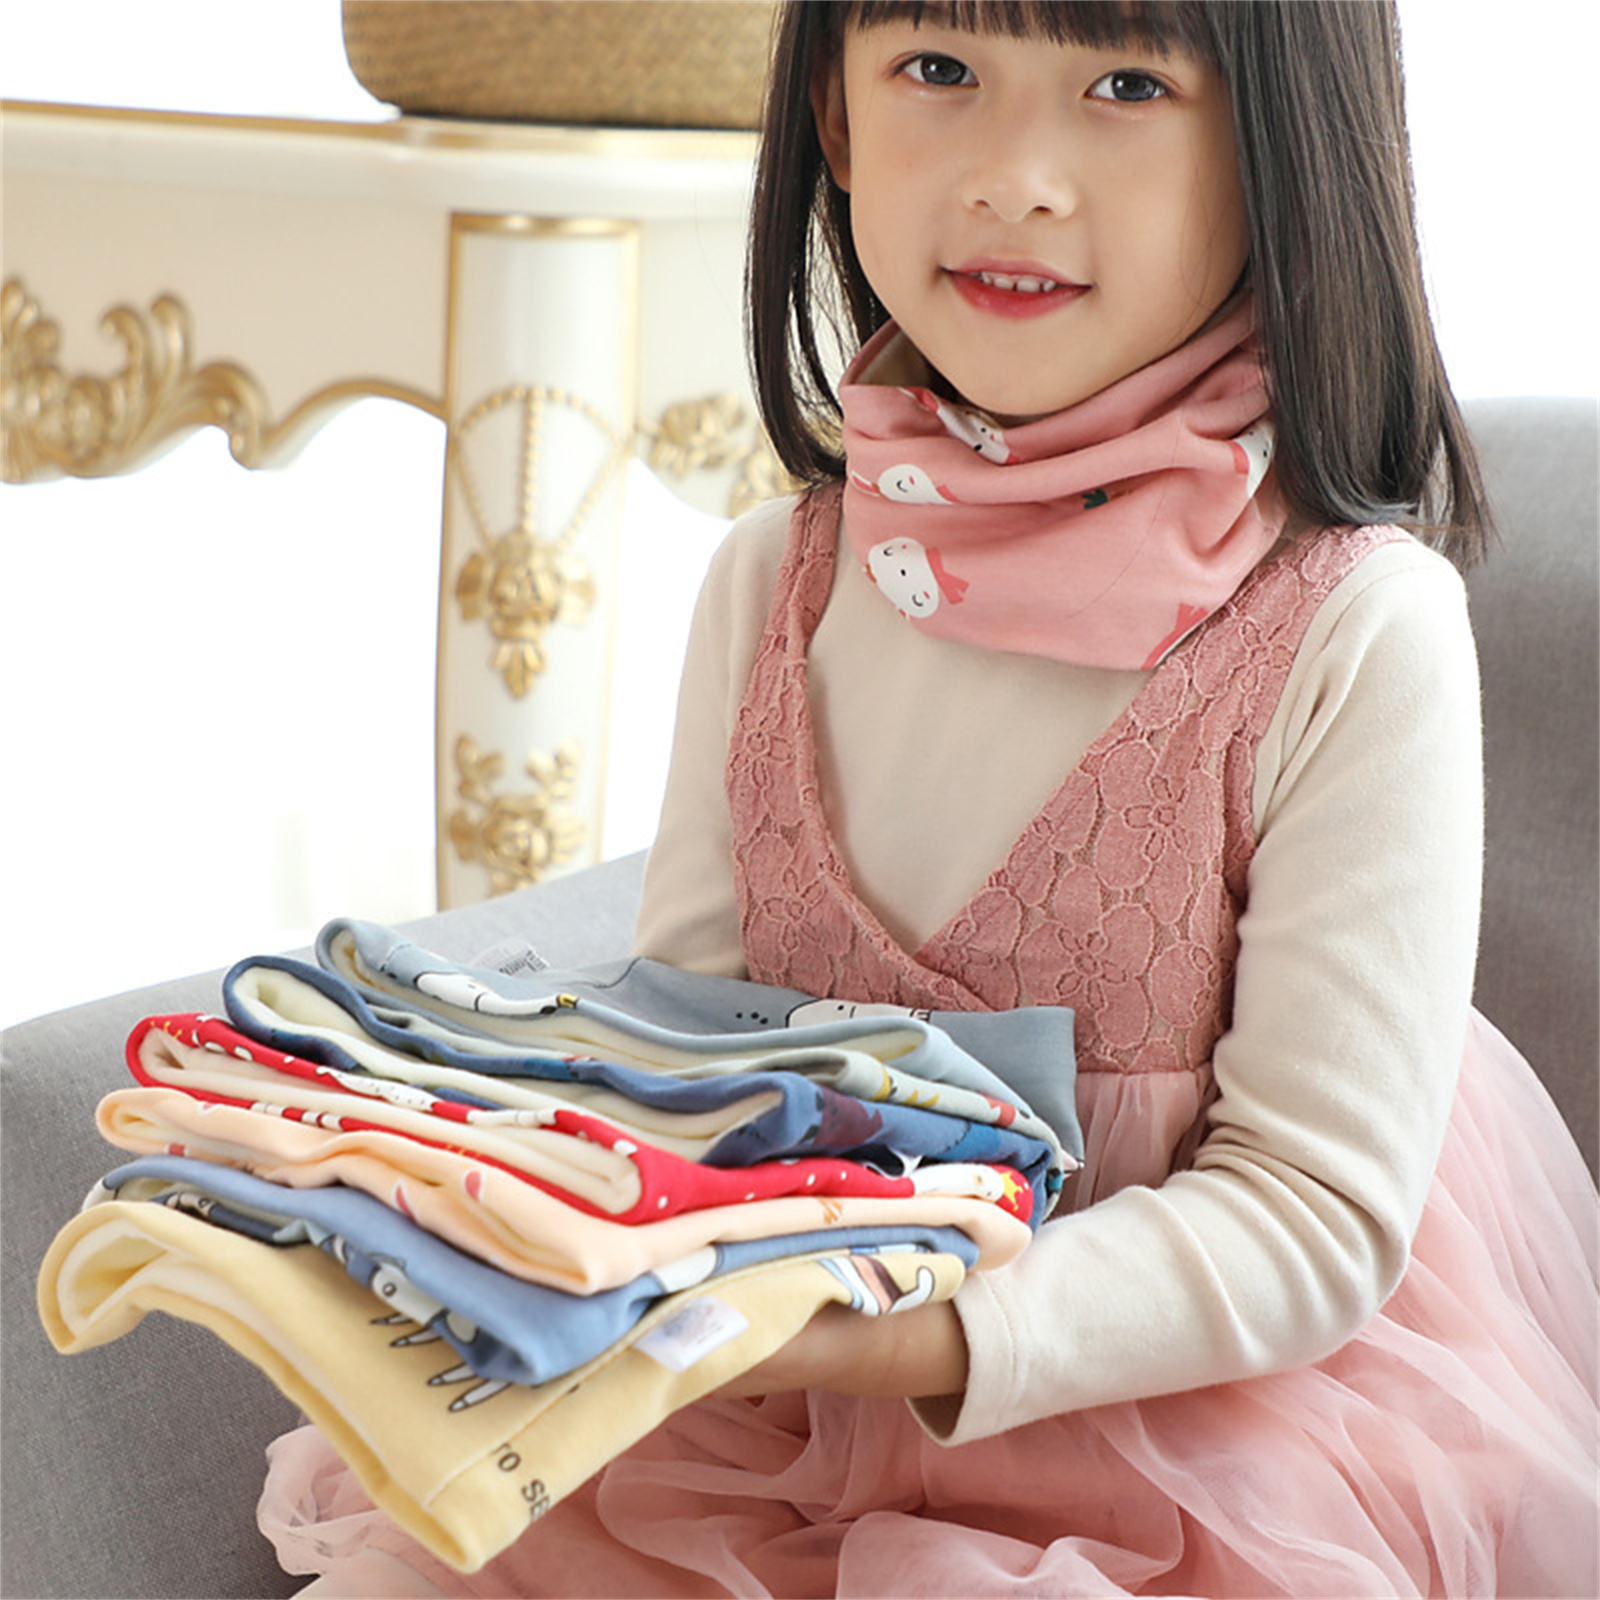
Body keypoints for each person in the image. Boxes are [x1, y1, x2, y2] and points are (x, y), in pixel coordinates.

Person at [261, 1, 1598, 1593]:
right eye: (940, 70)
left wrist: (893, 1341)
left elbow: (1310, 1215)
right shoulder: (772, 581)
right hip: (752, 1420)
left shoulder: (1355, 628)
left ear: (1277, 148)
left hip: (1191, 1457)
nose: (1014, 175)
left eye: (1126, 82)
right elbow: (686, 1064)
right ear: (834, 117)